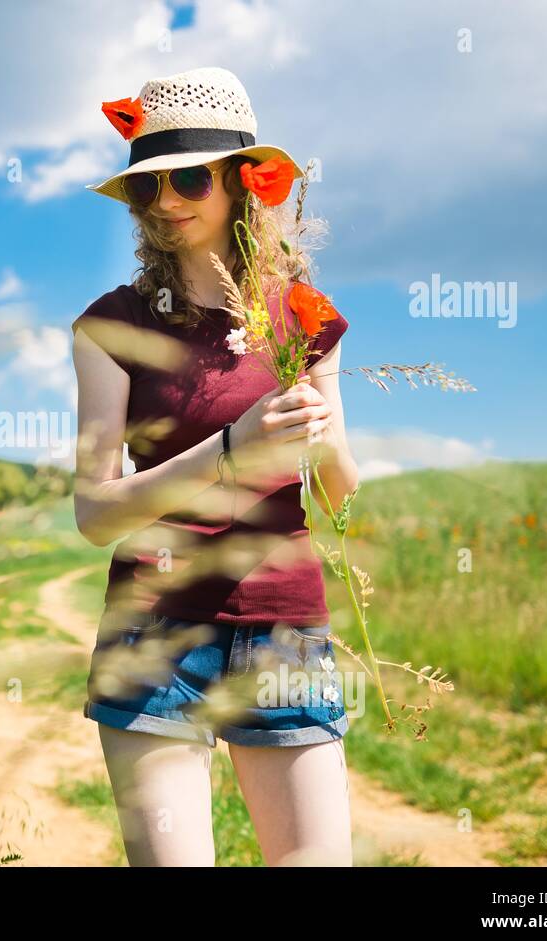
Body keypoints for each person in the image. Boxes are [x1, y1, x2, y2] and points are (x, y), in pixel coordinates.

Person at [72, 67, 360, 866]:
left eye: (188, 178)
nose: (165, 202)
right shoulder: (111, 326)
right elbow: (95, 515)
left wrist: (319, 420)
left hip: (285, 629)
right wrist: (230, 446)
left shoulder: (304, 313)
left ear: (242, 181)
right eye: (145, 188)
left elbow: (339, 492)